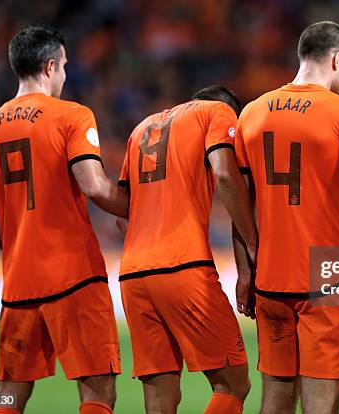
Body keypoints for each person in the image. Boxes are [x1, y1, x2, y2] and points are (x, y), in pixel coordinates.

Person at [233, 21, 339, 414]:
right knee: (322, 402)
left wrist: (245, 270)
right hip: (327, 279)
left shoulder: (251, 114)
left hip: (270, 279)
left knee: (274, 399)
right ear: (337, 59)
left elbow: (239, 202)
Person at [0, 25, 129, 414]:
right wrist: (144, 210)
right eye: (64, 68)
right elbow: (93, 186)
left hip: (19, 283)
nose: (64, 76)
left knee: (8, 394)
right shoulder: (71, 115)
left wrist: (24, 248)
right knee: (97, 390)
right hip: (74, 277)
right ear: (50, 66)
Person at [116, 85, 258, 414]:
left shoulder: (141, 129)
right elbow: (224, 172)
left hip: (133, 274)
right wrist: (253, 247)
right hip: (183, 266)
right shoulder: (218, 112)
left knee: (160, 398)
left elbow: (123, 211)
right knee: (234, 383)